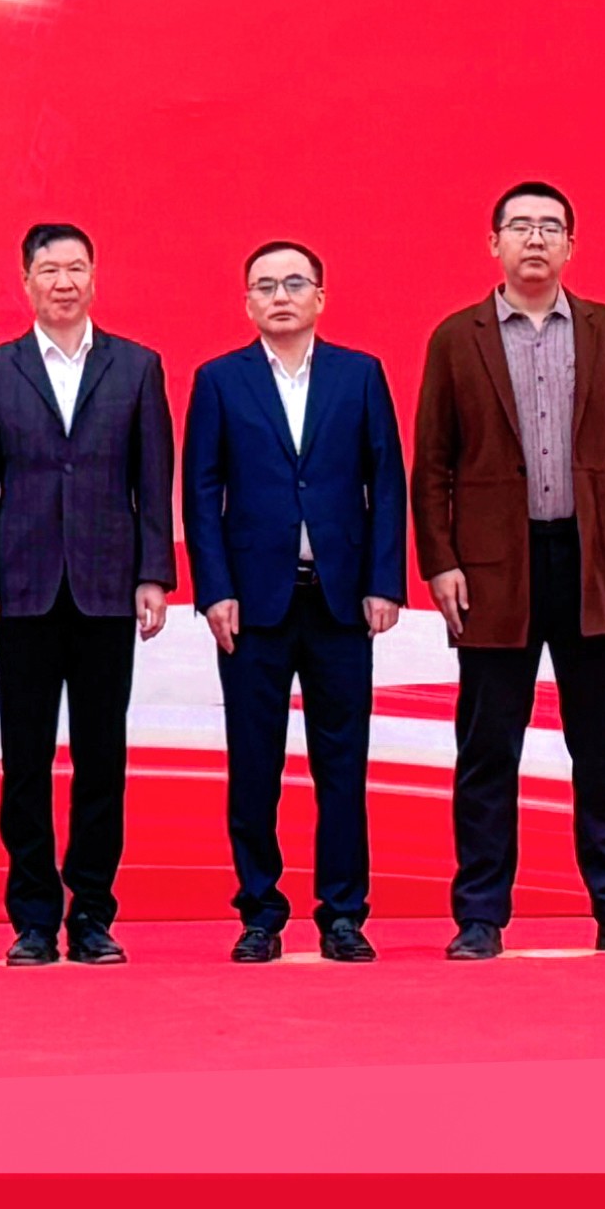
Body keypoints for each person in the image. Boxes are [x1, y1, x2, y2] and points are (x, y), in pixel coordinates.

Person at [412, 181, 605, 960]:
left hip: (590, 561)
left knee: (602, 746)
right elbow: (431, 465)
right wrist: (440, 562)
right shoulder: (456, 337)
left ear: (569, 246)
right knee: (488, 748)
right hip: (494, 569)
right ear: (492, 242)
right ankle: (479, 914)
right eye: (519, 226)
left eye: (549, 227)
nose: (534, 238)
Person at [0, 220, 173, 966]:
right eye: (49, 270)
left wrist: (153, 573)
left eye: (76, 268)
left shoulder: (136, 366)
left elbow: (153, 478)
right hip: (22, 588)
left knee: (102, 760)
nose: (64, 282)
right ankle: (33, 919)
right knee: (25, 761)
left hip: (109, 586)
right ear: (26, 282)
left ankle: (93, 915)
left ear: (94, 277)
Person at [184, 240, 406, 963]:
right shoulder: (219, 380)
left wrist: (383, 581)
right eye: (265, 285)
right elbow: (201, 492)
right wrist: (214, 590)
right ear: (246, 301)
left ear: (320, 296)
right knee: (255, 764)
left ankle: (343, 914)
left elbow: (386, 482)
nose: (280, 296)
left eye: (294, 283)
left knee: (342, 765)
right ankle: (260, 912)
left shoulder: (359, 374)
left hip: (340, 601)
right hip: (253, 606)